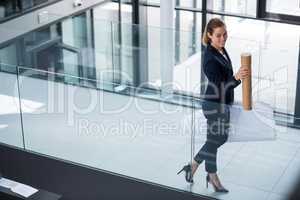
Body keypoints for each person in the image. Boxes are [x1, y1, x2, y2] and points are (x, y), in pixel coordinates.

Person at [177, 18, 249, 193]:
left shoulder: (221, 49)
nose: (223, 39)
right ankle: (212, 175)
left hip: (222, 103)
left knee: (217, 139)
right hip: (213, 104)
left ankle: (194, 166)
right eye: (218, 36)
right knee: (216, 139)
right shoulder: (209, 57)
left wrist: (235, 78)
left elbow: (225, 79)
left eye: (225, 34)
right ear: (209, 35)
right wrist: (236, 77)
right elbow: (219, 86)